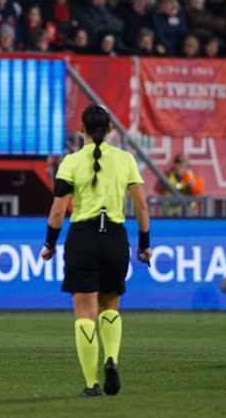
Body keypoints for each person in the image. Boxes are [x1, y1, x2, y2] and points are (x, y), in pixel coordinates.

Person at [40, 104, 152, 397]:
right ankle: (112, 358)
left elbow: (57, 210)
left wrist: (50, 244)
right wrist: (144, 245)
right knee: (110, 307)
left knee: (84, 314)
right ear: (111, 129)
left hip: (83, 238)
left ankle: (91, 384)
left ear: (82, 129)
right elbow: (141, 205)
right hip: (115, 238)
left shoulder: (71, 162)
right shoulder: (126, 159)